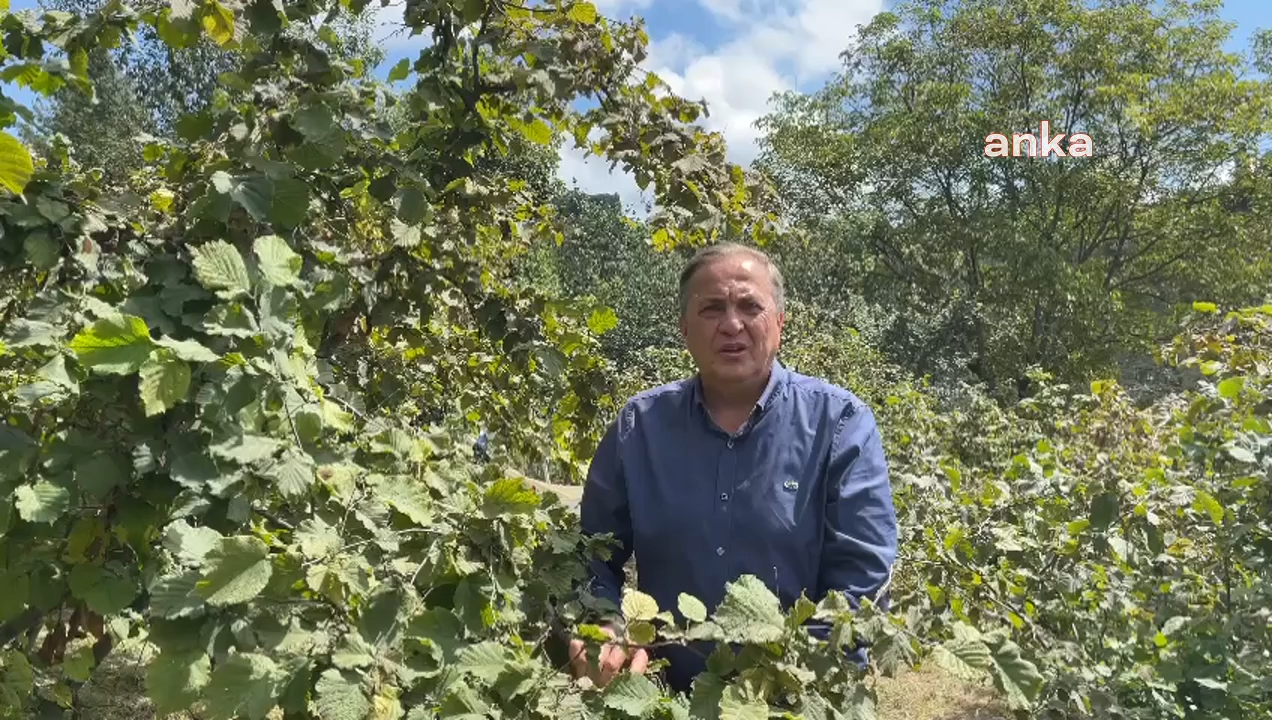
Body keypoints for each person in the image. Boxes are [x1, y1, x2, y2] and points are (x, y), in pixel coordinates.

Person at [568, 242, 898, 693]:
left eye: (749, 306)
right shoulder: (637, 428)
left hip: (796, 697)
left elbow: (862, 578)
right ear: (684, 327)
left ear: (779, 323)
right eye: (711, 309)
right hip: (663, 698)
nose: (731, 324)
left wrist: (790, 679)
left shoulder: (840, 425)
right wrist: (602, 623)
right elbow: (592, 555)